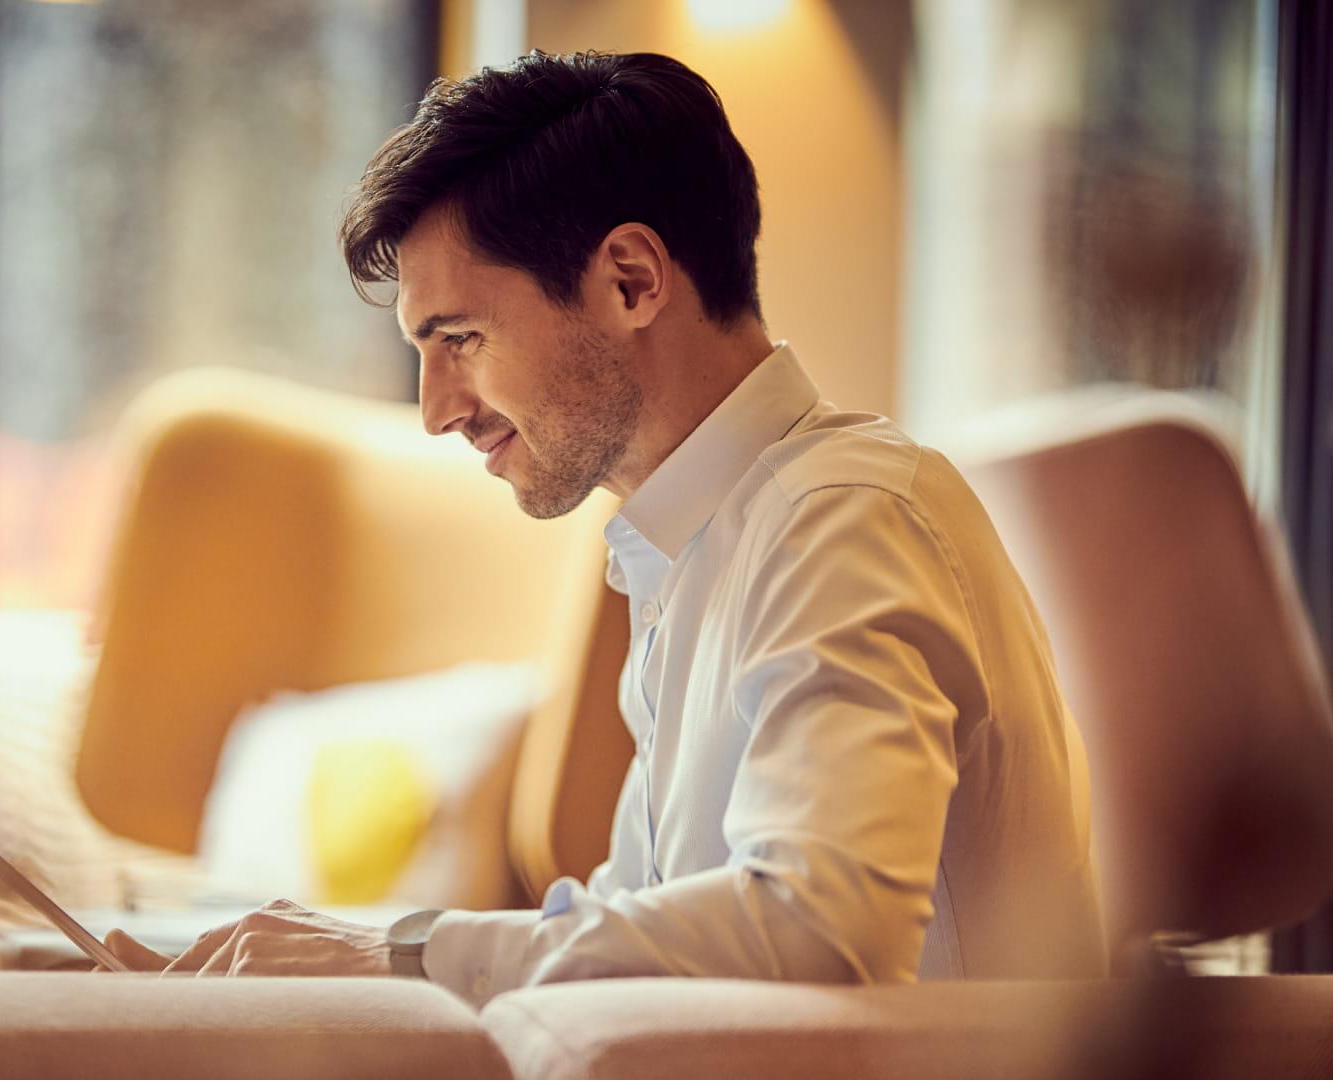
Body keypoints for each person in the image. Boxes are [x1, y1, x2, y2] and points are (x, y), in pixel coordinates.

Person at [101, 49, 1106, 1004]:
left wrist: (398, 952)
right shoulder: (692, 549)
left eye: (460, 338)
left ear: (631, 279)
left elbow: (821, 929)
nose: (438, 409)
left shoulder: (843, 523)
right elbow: (637, 939)